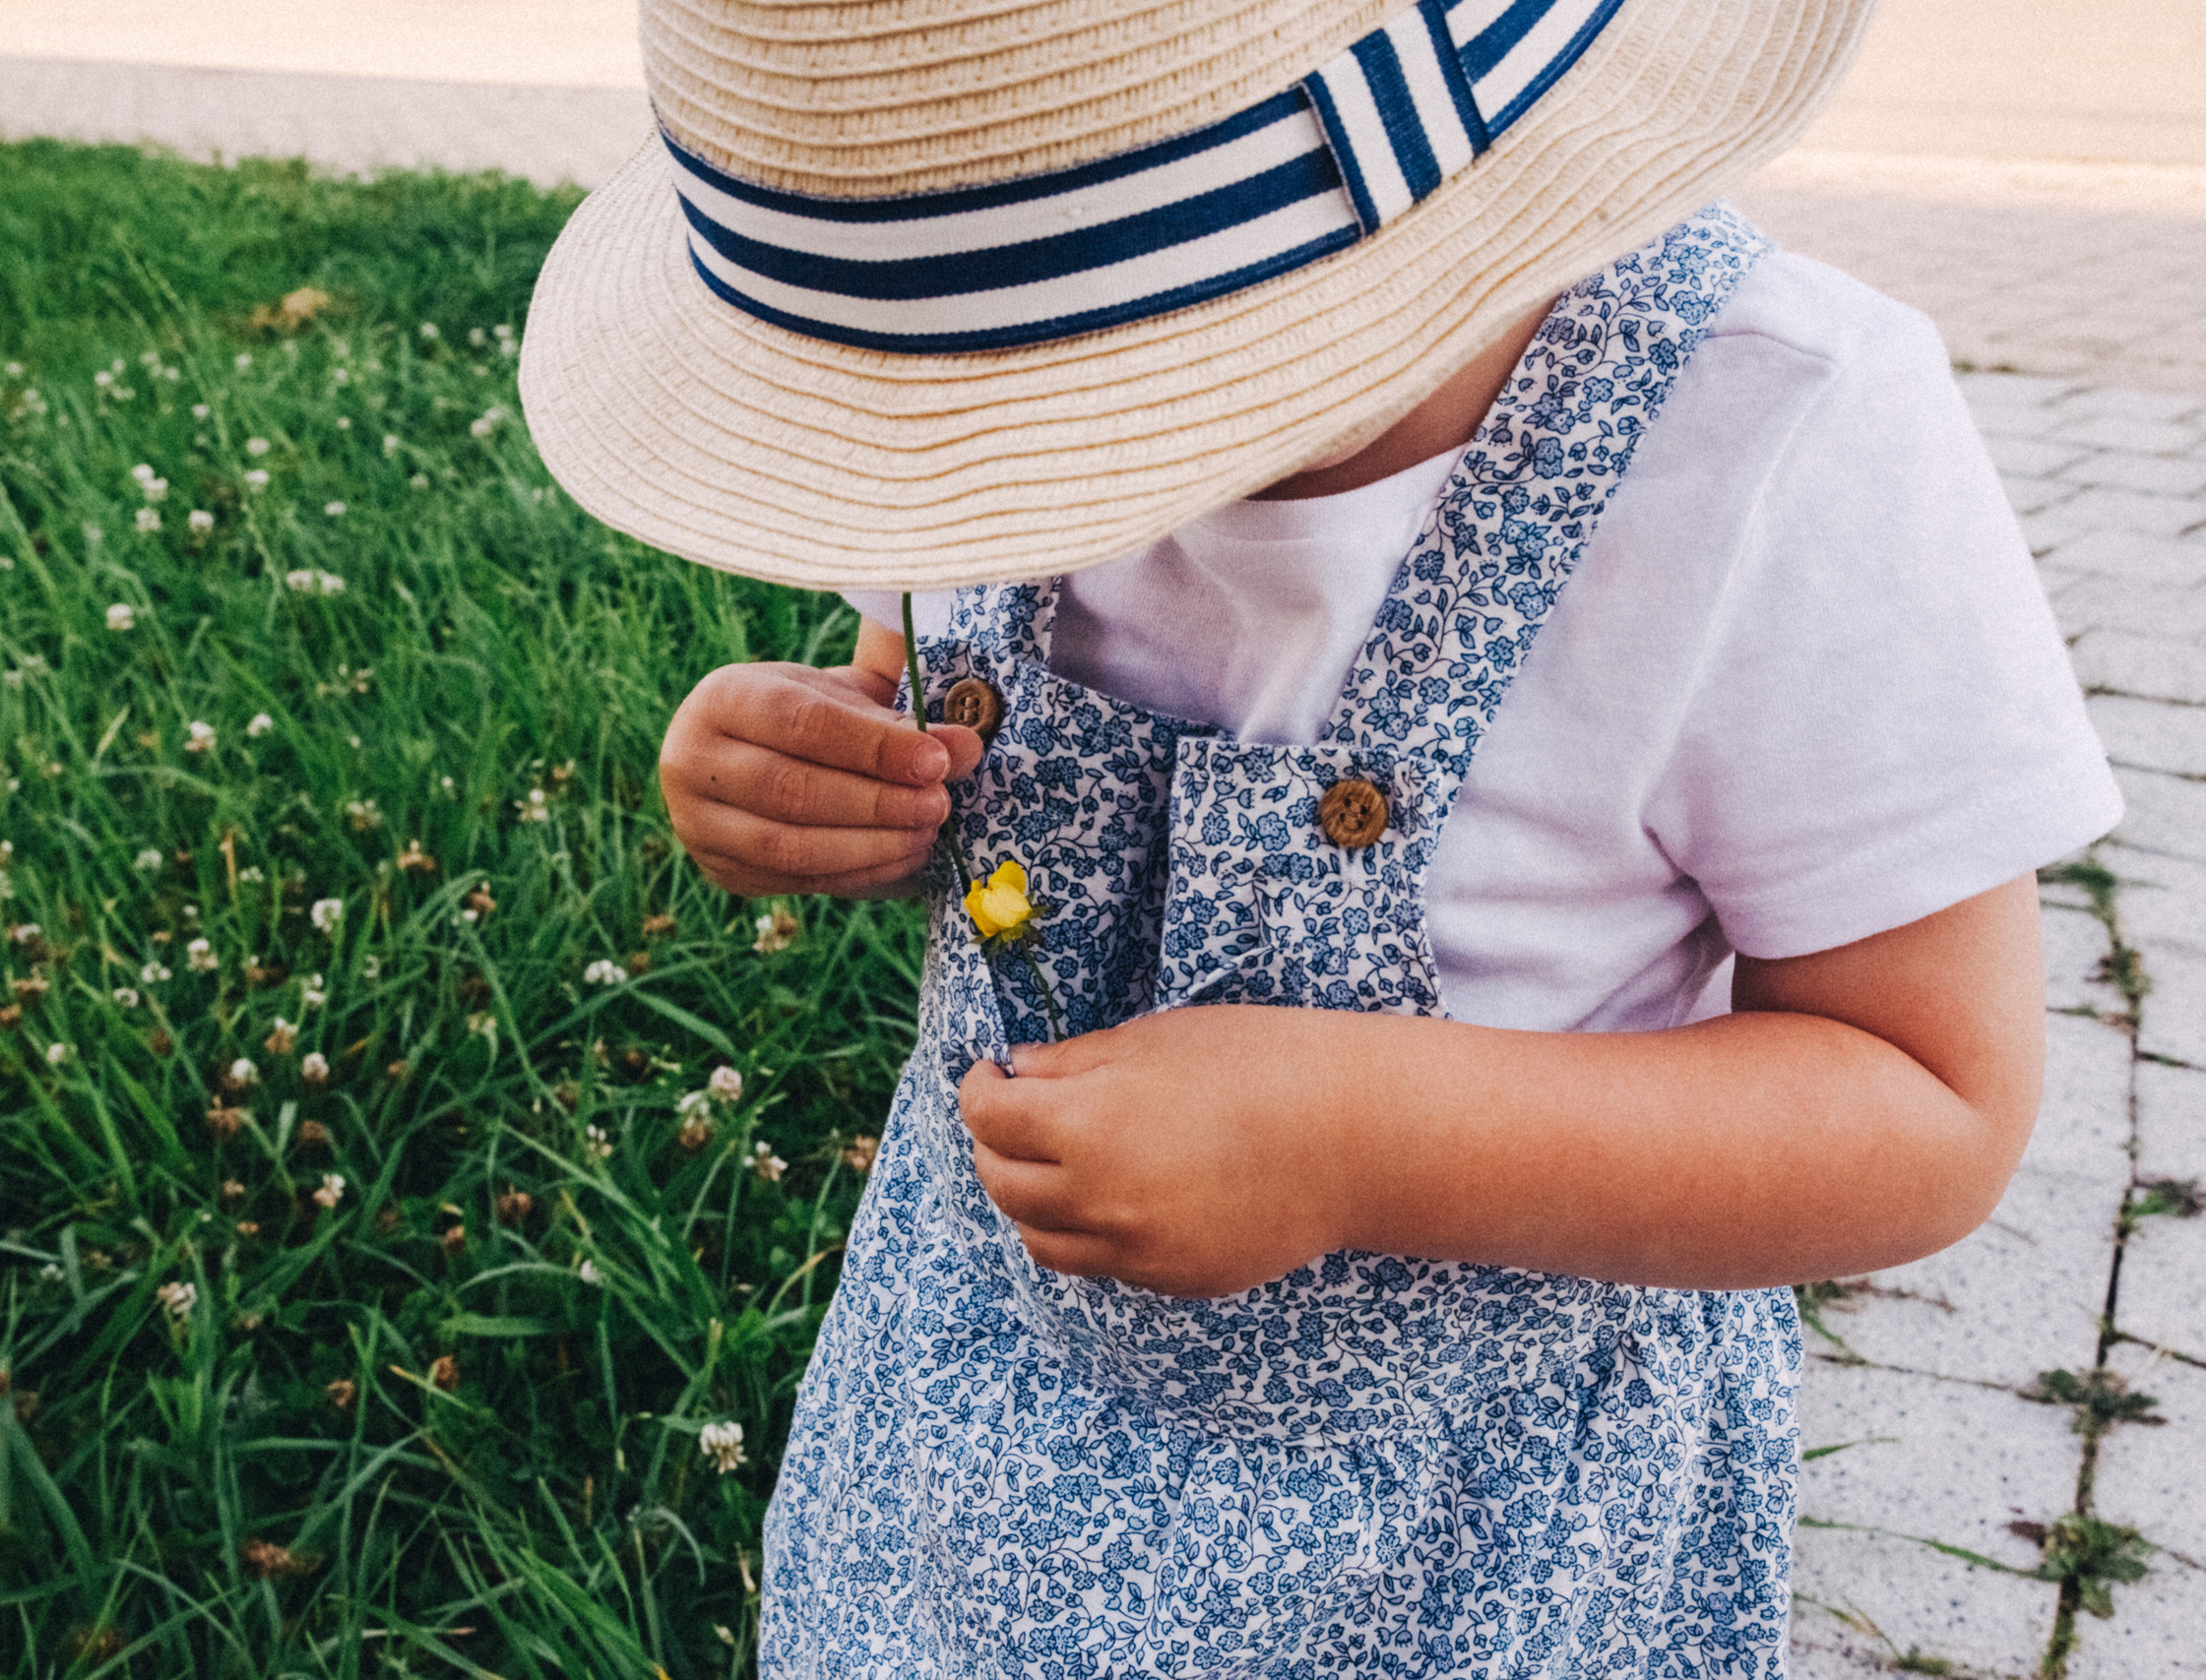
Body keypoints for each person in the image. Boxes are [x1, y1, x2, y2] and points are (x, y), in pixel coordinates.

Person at [522, 0, 2123, 1669]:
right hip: (966, 1454)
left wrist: (1367, 1136)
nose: (1049, 495)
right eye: (965, 435)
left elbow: (1932, 1095)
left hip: (1465, 1548)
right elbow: (923, 692)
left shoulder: (1766, 441)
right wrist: (818, 772)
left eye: (1100, 401)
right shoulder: (965, 407)